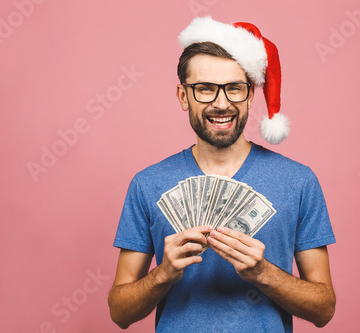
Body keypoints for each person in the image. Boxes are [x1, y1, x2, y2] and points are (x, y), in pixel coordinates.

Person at [108, 16, 336, 332]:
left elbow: (324, 309)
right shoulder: (147, 184)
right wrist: (164, 273)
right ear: (182, 96)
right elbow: (120, 313)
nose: (221, 103)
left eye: (234, 89)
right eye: (204, 89)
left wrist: (263, 272)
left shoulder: (298, 181)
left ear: (251, 95)